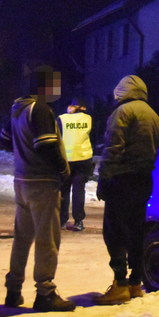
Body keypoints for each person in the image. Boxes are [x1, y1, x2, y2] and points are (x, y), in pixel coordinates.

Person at [0, 65, 75, 312]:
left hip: (22, 181)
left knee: (22, 237)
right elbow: (46, 146)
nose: (57, 90)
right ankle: (45, 293)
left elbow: (4, 140)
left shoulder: (17, 109)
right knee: (47, 239)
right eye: (53, 85)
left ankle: (13, 290)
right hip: (42, 183)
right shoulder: (40, 109)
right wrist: (63, 172)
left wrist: (24, 157)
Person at [95, 75, 159, 305]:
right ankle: (135, 282)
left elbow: (113, 147)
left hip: (121, 179)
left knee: (114, 232)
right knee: (136, 231)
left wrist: (104, 178)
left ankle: (119, 284)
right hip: (144, 180)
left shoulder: (122, 113)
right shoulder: (153, 115)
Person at [58, 98, 94, 231]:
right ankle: (78, 221)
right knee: (79, 190)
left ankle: (62, 220)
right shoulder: (88, 119)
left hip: (66, 159)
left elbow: (57, 137)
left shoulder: (62, 119)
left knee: (64, 190)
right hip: (83, 158)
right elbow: (93, 137)